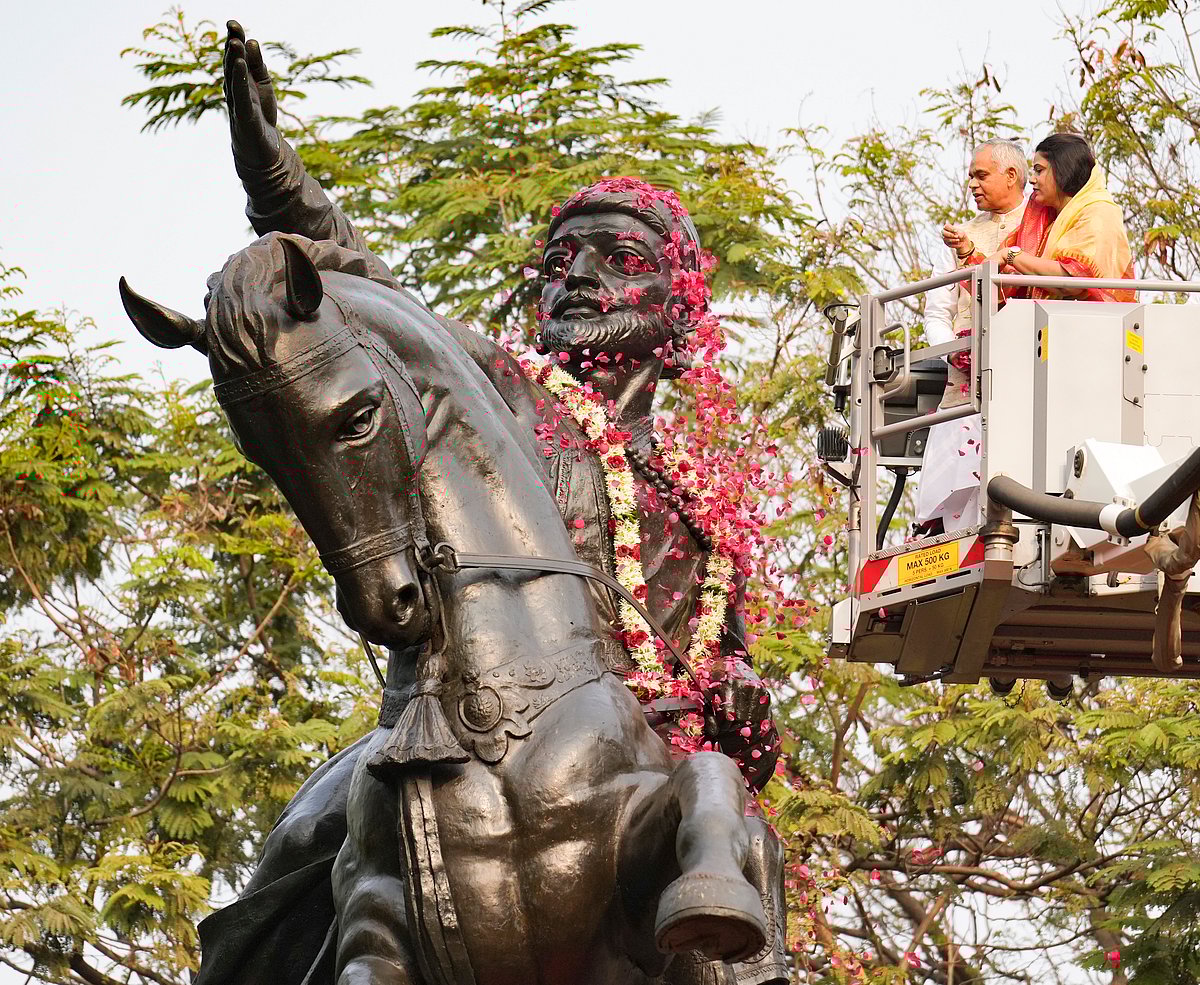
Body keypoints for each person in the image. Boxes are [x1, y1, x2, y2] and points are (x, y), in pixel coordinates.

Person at [191, 23, 788, 985]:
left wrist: (746, 709)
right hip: (486, 722)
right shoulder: (509, 401)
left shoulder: (699, 501)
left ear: (679, 305)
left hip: (639, 768)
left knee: (740, 853)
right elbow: (361, 284)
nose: (580, 280)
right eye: (560, 264)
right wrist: (277, 184)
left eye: (615, 261)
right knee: (309, 830)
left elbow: (727, 671)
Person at [917, 139, 1051, 531]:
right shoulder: (962, 234)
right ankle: (959, 533)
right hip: (965, 369)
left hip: (1024, 361)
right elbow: (937, 309)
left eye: (980, 175)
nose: (972, 184)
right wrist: (951, 351)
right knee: (961, 452)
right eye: (970, 176)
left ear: (1012, 176)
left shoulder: (1043, 222)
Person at [987, 132, 1135, 302]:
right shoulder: (1049, 220)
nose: (1032, 180)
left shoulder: (1099, 213)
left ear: (1063, 170)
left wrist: (1012, 256)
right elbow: (1007, 272)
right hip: (1048, 323)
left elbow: (1072, 280)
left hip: (1093, 323)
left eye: (1039, 170)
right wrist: (967, 250)